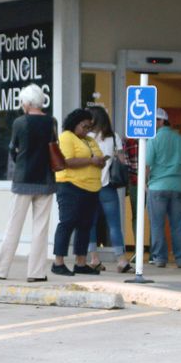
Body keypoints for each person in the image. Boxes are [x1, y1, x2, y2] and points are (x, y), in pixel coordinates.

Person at [0, 84, 56, 282]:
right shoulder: (52, 122)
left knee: (13, 225)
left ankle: (0, 269)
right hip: (45, 179)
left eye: (22, 101)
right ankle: (37, 273)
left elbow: (13, 149)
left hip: (24, 178)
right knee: (40, 228)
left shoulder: (20, 122)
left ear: (27, 102)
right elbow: (53, 147)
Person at [51, 108, 106, 276]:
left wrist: (100, 162)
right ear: (74, 124)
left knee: (85, 225)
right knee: (67, 222)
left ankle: (80, 263)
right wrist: (91, 160)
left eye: (90, 127)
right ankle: (58, 262)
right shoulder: (66, 137)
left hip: (91, 188)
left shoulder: (89, 140)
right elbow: (67, 161)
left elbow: (99, 158)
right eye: (84, 126)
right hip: (70, 186)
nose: (87, 130)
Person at [85, 105, 131, 274]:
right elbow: (122, 160)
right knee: (114, 225)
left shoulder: (87, 138)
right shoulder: (114, 137)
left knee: (90, 224)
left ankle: (94, 259)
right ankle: (121, 260)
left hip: (90, 186)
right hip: (108, 187)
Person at [146, 108, 181, 268]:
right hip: (177, 186)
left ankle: (160, 258)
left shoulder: (153, 140)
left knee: (157, 224)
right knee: (178, 225)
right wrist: (179, 179)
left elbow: (147, 165)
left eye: (154, 121)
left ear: (160, 121)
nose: (151, 125)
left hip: (157, 186)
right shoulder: (180, 139)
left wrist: (146, 184)